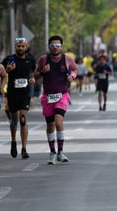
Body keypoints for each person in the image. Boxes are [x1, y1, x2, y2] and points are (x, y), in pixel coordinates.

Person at [34, 35, 77, 165]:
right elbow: (35, 74)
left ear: (61, 47)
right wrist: (42, 71)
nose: (55, 48)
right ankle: (52, 152)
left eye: (57, 45)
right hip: (48, 96)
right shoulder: (43, 59)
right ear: (49, 47)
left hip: (62, 95)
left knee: (58, 121)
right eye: (52, 46)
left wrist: (72, 76)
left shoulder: (67, 59)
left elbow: (75, 69)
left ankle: (61, 152)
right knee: (50, 125)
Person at [1, 38, 36, 159]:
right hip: (12, 94)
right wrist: (7, 70)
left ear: (26, 47)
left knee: (23, 120)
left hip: (25, 94)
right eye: (18, 46)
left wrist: (33, 78)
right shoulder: (9, 59)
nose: (20, 48)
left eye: (22, 46)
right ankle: (13, 141)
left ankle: (24, 148)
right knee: (14, 120)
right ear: (15, 47)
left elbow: (35, 72)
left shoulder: (30, 59)